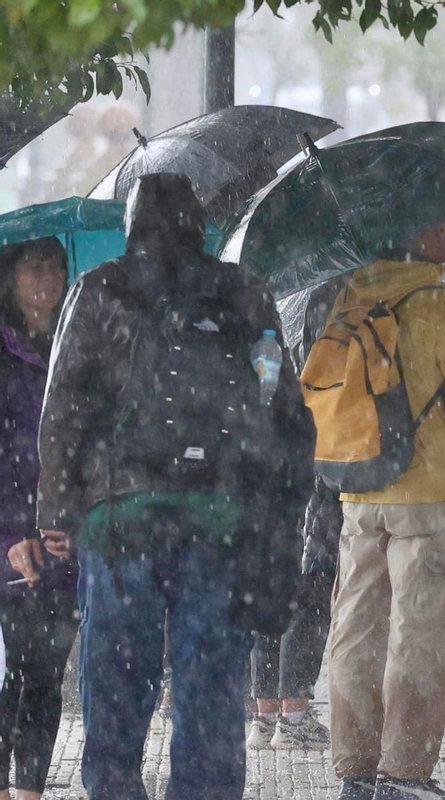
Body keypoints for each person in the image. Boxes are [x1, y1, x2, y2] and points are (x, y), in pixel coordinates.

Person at [35, 173, 313, 799]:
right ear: (199, 225)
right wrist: (274, 514)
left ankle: (114, 788)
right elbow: (283, 408)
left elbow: (62, 409)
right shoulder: (244, 293)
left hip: (120, 520)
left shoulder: (98, 289)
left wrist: (56, 510)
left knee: (117, 678)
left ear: (131, 227)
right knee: (209, 681)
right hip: (218, 517)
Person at [322, 217, 445, 800]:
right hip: (428, 498)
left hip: (358, 490)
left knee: (356, 629)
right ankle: (403, 775)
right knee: (417, 635)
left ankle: (355, 770)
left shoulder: (348, 300)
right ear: (425, 232)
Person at [0, 237, 73, 800]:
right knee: (15, 667)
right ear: (10, 277)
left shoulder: (77, 342)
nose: (49, 277)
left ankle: (30, 791)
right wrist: (11, 534)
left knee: (48, 669)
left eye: (57, 266)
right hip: (10, 534)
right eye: (35, 267)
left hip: (62, 533)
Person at [246, 481, 339, 749]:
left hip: (270, 495)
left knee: (270, 598)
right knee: (309, 601)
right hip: (314, 499)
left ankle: (265, 719)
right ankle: (293, 722)